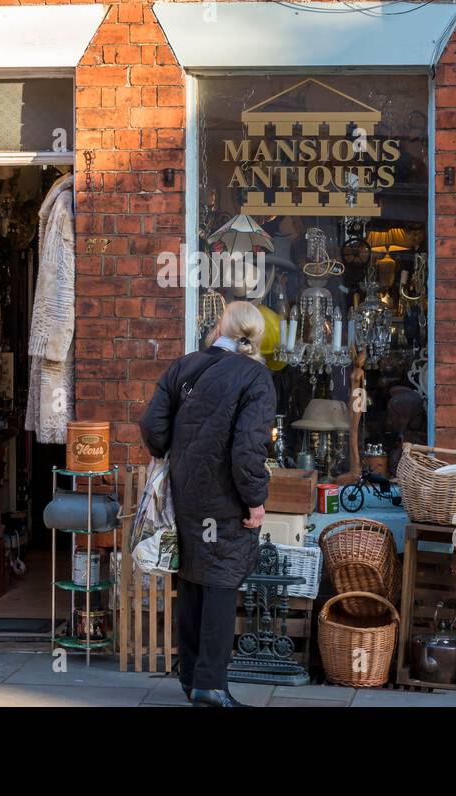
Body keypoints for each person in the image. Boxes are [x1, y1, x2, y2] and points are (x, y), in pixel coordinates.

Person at [140, 300, 276, 707]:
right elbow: (248, 449)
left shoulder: (184, 366)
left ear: (221, 327)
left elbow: (152, 427)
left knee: (194, 575)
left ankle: (192, 678)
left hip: (186, 489)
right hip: (226, 495)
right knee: (220, 581)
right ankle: (211, 684)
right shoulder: (256, 378)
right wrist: (255, 500)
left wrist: (174, 449)